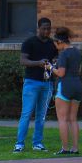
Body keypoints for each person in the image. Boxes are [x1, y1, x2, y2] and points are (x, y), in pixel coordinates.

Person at [14, 17, 58, 153]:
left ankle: (37, 143)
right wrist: (38, 63)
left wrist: (54, 64)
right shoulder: (29, 42)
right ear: (38, 28)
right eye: (44, 28)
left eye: (49, 29)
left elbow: (55, 61)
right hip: (31, 82)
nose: (46, 31)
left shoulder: (52, 44)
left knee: (42, 115)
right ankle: (19, 144)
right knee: (26, 113)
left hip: (47, 83)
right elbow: (23, 60)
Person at [50, 27, 82, 155]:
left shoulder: (63, 54)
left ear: (60, 42)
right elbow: (79, 70)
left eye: (55, 44)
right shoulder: (77, 52)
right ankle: (75, 148)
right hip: (77, 85)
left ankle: (65, 148)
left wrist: (51, 68)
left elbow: (61, 73)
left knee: (62, 119)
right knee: (73, 119)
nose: (55, 47)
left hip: (65, 86)